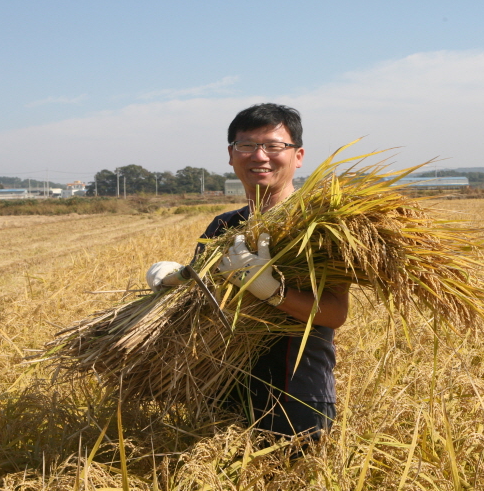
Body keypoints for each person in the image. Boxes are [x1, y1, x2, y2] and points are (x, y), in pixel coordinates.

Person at [147, 103, 349, 441]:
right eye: (247, 146)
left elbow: (334, 313)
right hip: (218, 387)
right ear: (231, 155)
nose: (259, 156)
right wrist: (174, 280)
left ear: (298, 156)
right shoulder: (224, 226)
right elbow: (201, 307)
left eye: (273, 146)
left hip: (296, 394)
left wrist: (273, 292)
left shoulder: (321, 227)